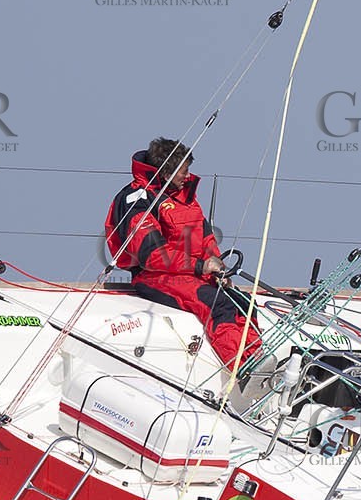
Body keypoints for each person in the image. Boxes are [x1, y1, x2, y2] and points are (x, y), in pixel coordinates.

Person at [104, 138, 262, 374]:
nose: (188, 176)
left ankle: (257, 358)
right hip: (154, 276)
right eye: (184, 171)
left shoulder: (183, 196)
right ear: (166, 172)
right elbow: (152, 255)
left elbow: (204, 236)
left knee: (243, 302)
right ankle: (242, 368)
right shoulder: (137, 200)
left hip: (190, 271)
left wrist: (217, 266)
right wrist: (200, 266)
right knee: (217, 304)